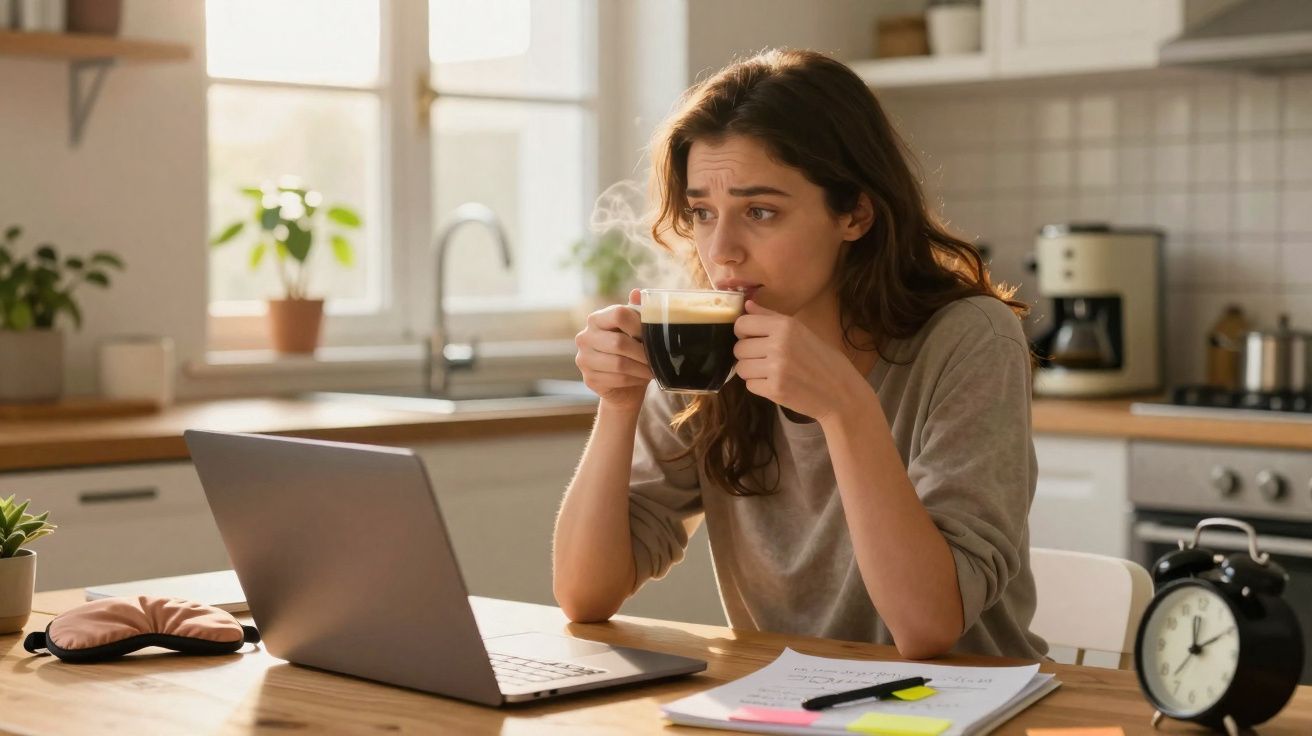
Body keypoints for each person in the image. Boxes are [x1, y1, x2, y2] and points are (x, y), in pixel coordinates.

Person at [552, 48, 1048, 660]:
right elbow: (584, 594)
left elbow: (926, 628)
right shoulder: (707, 337)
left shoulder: (968, 338)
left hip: (962, 706)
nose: (722, 251)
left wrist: (846, 408)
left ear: (855, 214)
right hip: (787, 707)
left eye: (760, 211)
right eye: (703, 213)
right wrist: (620, 404)